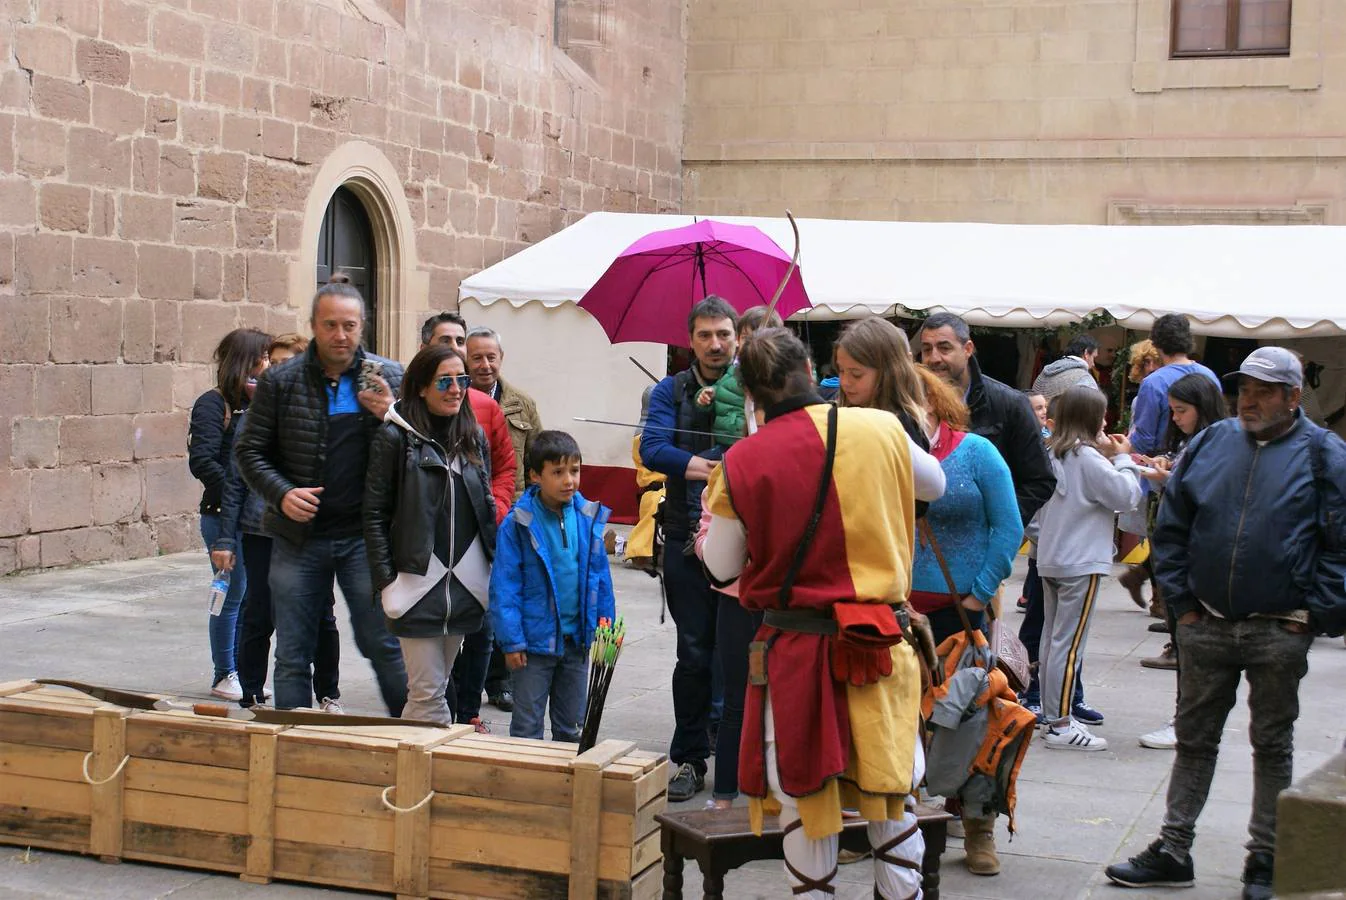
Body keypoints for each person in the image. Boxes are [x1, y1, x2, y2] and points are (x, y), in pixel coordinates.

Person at [702, 327, 946, 900]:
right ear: (811, 371)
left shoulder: (743, 459)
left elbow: (719, 567)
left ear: (753, 395)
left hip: (798, 653)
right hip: (881, 643)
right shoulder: (883, 427)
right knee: (892, 792)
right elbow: (934, 484)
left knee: (804, 797)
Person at [1106, 347, 1346, 899]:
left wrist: (1314, 614)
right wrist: (1183, 606)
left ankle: (1265, 858)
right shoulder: (1214, 441)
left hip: (1278, 626)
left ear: (1293, 396)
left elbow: (1339, 544)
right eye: (1245, 389)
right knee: (1194, 740)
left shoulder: (1323, 453)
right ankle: (1173, 849)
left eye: (1265, 391)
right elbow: (1173, 523)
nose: (1250, 400)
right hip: (1205, 623)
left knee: (1273, 743)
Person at [235, 274, 409, 714]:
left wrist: (390, 412)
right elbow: (249, 451)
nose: (340, 335)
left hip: (364, 540)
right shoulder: (282, 381)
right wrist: (282, 493)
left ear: (363, 326)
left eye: (349, 325)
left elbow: (420, 451)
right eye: (330, 325)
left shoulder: (389, 376)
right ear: (314, 325)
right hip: (298, 539)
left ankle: (412, 737)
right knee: (293, 651)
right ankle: (291, 750)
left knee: (381, 642)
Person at [906, 367, 1019, 876]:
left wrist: (979, 593)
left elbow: (1009, 526)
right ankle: (886, 824)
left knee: (971, 720)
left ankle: (978, 826)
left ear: (933, 404)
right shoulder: (887, 449)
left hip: (960, 610)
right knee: (899, 720)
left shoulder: (977, 453)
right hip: (897, 609)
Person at [363, 344, 496, 725]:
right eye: (445, 381)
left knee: (433, 691)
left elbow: (485, 506)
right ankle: (421, 775)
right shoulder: (394, 438)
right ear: (421, 386)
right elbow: (373, 515)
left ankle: (416, 771)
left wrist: (494, 571)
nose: (456, 389)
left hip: (465, 587)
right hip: (416, 584)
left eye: (462, 380)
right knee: (428, 692)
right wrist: (387, 582)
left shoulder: (473, 438)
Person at [210, 334, 344, 711]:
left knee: (320, 614)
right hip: (261, 530)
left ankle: (327, 693)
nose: (278, 370)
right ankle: (252, 690)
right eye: (275, 362)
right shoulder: (253, 417)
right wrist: (225, 539)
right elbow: (236, 483)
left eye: (289, 362)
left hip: (312, 533)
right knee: (260, 611)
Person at [639, 295, 738, 802]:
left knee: (738, 652)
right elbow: (653, 448)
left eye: (723, 334)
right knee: (695, 652)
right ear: (690, 340)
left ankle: (736, 750)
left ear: (737, 336)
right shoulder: (669, 389)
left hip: (744, 540)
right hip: (683, 538)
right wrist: (713, 467)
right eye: (705, 335)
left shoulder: (754, 383)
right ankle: (690, 758)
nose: (715, 344)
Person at [687, 304, 781, 811]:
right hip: (739, 597)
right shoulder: (735, 461)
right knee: (741, 698)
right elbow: (718, 552)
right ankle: (728, 794)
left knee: (770, 702)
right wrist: (708, 540)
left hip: (778, 600)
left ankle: (760, 794)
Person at [420, 313, 518, 722]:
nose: (457, 349)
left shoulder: (484, 407)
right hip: (425, 544)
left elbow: (507, 469)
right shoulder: (404, 408)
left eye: (461, 341)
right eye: (447, 340)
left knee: (479, 629)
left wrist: (493, 510)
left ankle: (467, 712)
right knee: (430, 635)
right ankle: (430, 708)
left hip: (477, 538)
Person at [1035, 386, 1144, 752]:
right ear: (1092, 419)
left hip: (1051, 557)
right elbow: (1126, 496)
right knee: (1069, 646)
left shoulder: (1051, 454)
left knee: (1052, 641)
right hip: (1081, 561)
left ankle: (1053, 716)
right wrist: (1125, 459)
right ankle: (1060, 723)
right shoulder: (1087, 458)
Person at [490, 431, 616, 741]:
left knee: (571, 726)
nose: (569, 480)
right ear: (535, 476)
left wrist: (604, 627)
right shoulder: (518, 522)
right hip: (533, 647)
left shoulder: (588, 517)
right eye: (557, 472)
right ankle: (527, 786)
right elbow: (505, 587)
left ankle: (566, 786)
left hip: (578, 642)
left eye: (574, 471)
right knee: (527, 726)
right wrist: (512, 641)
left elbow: (600, 579)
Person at [1132, 373, 1228, 749]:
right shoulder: (1198, 440)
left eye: (1180, 411)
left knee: (1193, 645)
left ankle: (1186, 721)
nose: (1174, 417)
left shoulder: (1214, 442)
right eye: (1172, 410)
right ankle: (1188, 719)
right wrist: (1165, 466)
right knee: (1188, 641)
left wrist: (1166, 476)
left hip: (1193, 557)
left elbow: (1201, 491)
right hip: (1180, 555)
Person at [189, 327, 271, 701]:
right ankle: (226, 673)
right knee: (232, 593)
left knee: (252, 597)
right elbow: (203, 460)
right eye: (263, 356)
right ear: (246, 359)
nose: (268, 363)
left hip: (255, 520)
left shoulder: (260, 403)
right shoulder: (213, 403)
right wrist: (238, 496)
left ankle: (241, 669)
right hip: (222, 515)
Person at [918, 312, 1056, 534]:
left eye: (944, 348)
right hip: (921, 546)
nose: (934, 358)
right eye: (926, 349)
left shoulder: (1010, 405)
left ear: (967, 349)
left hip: (982, 546)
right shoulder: (910, 405)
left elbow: (1039, 481)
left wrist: (998, 526)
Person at [1129, 314, 1220, 457]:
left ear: (1155, 344)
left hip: (1160, 465)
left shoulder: (1154, 382)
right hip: (1204, 459)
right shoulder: (1210, 376)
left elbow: (1144, 440)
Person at [1031, 334, 1101, 399]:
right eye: (1093, 357)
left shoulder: (1044, 373)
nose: (1093, 364)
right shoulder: (1084, 378)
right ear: (1086, 353)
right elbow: (1092, 410)